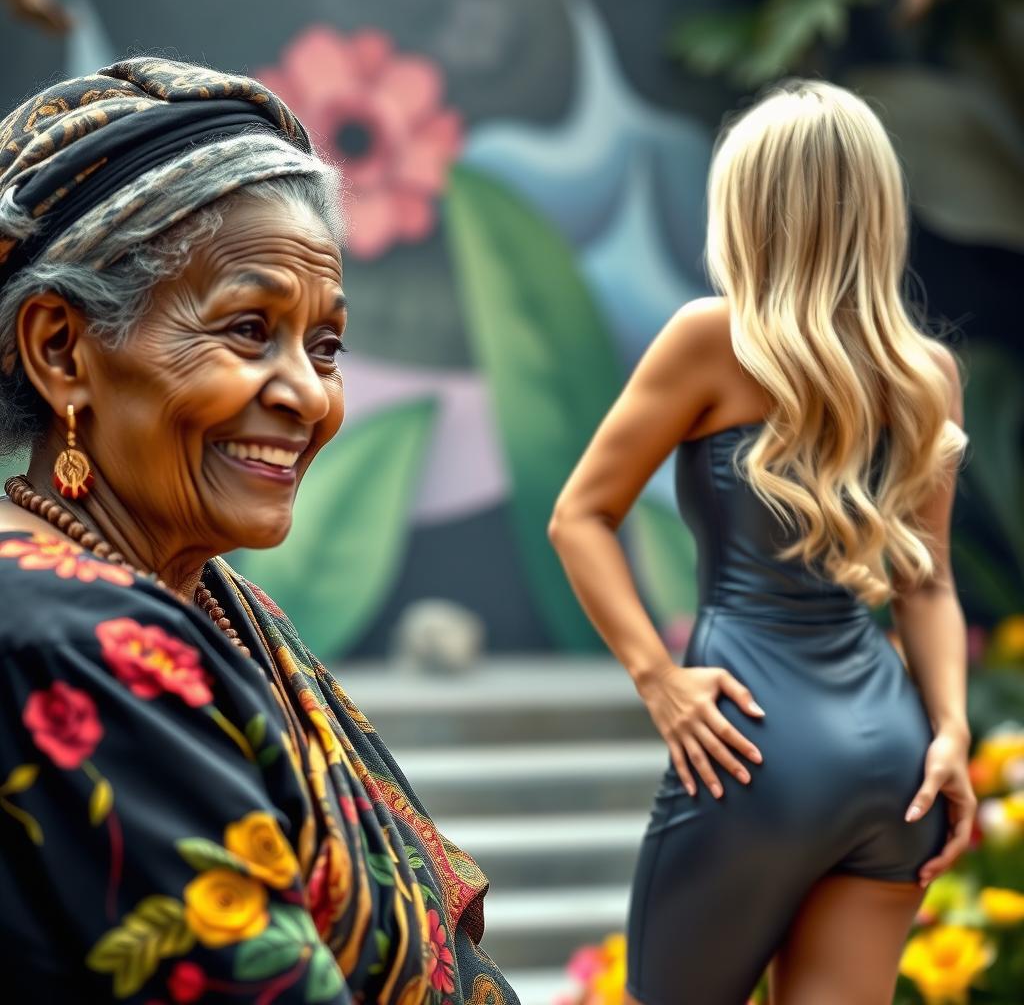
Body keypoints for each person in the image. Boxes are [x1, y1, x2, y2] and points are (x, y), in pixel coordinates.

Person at [0, 56, 518, 1005]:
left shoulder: (210, 603)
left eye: (326, 346)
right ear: (61, 350)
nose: (309, 395)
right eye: (247, 330)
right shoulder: (63, 637)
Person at [548, 78, 975, 1005]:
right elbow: (929, 582)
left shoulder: (710, 340)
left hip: (748, 750)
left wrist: (658, 679)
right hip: (891, 758)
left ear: (746, 206)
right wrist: (950, 731)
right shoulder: (927, 371)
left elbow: (579, 515)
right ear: (876, 209)